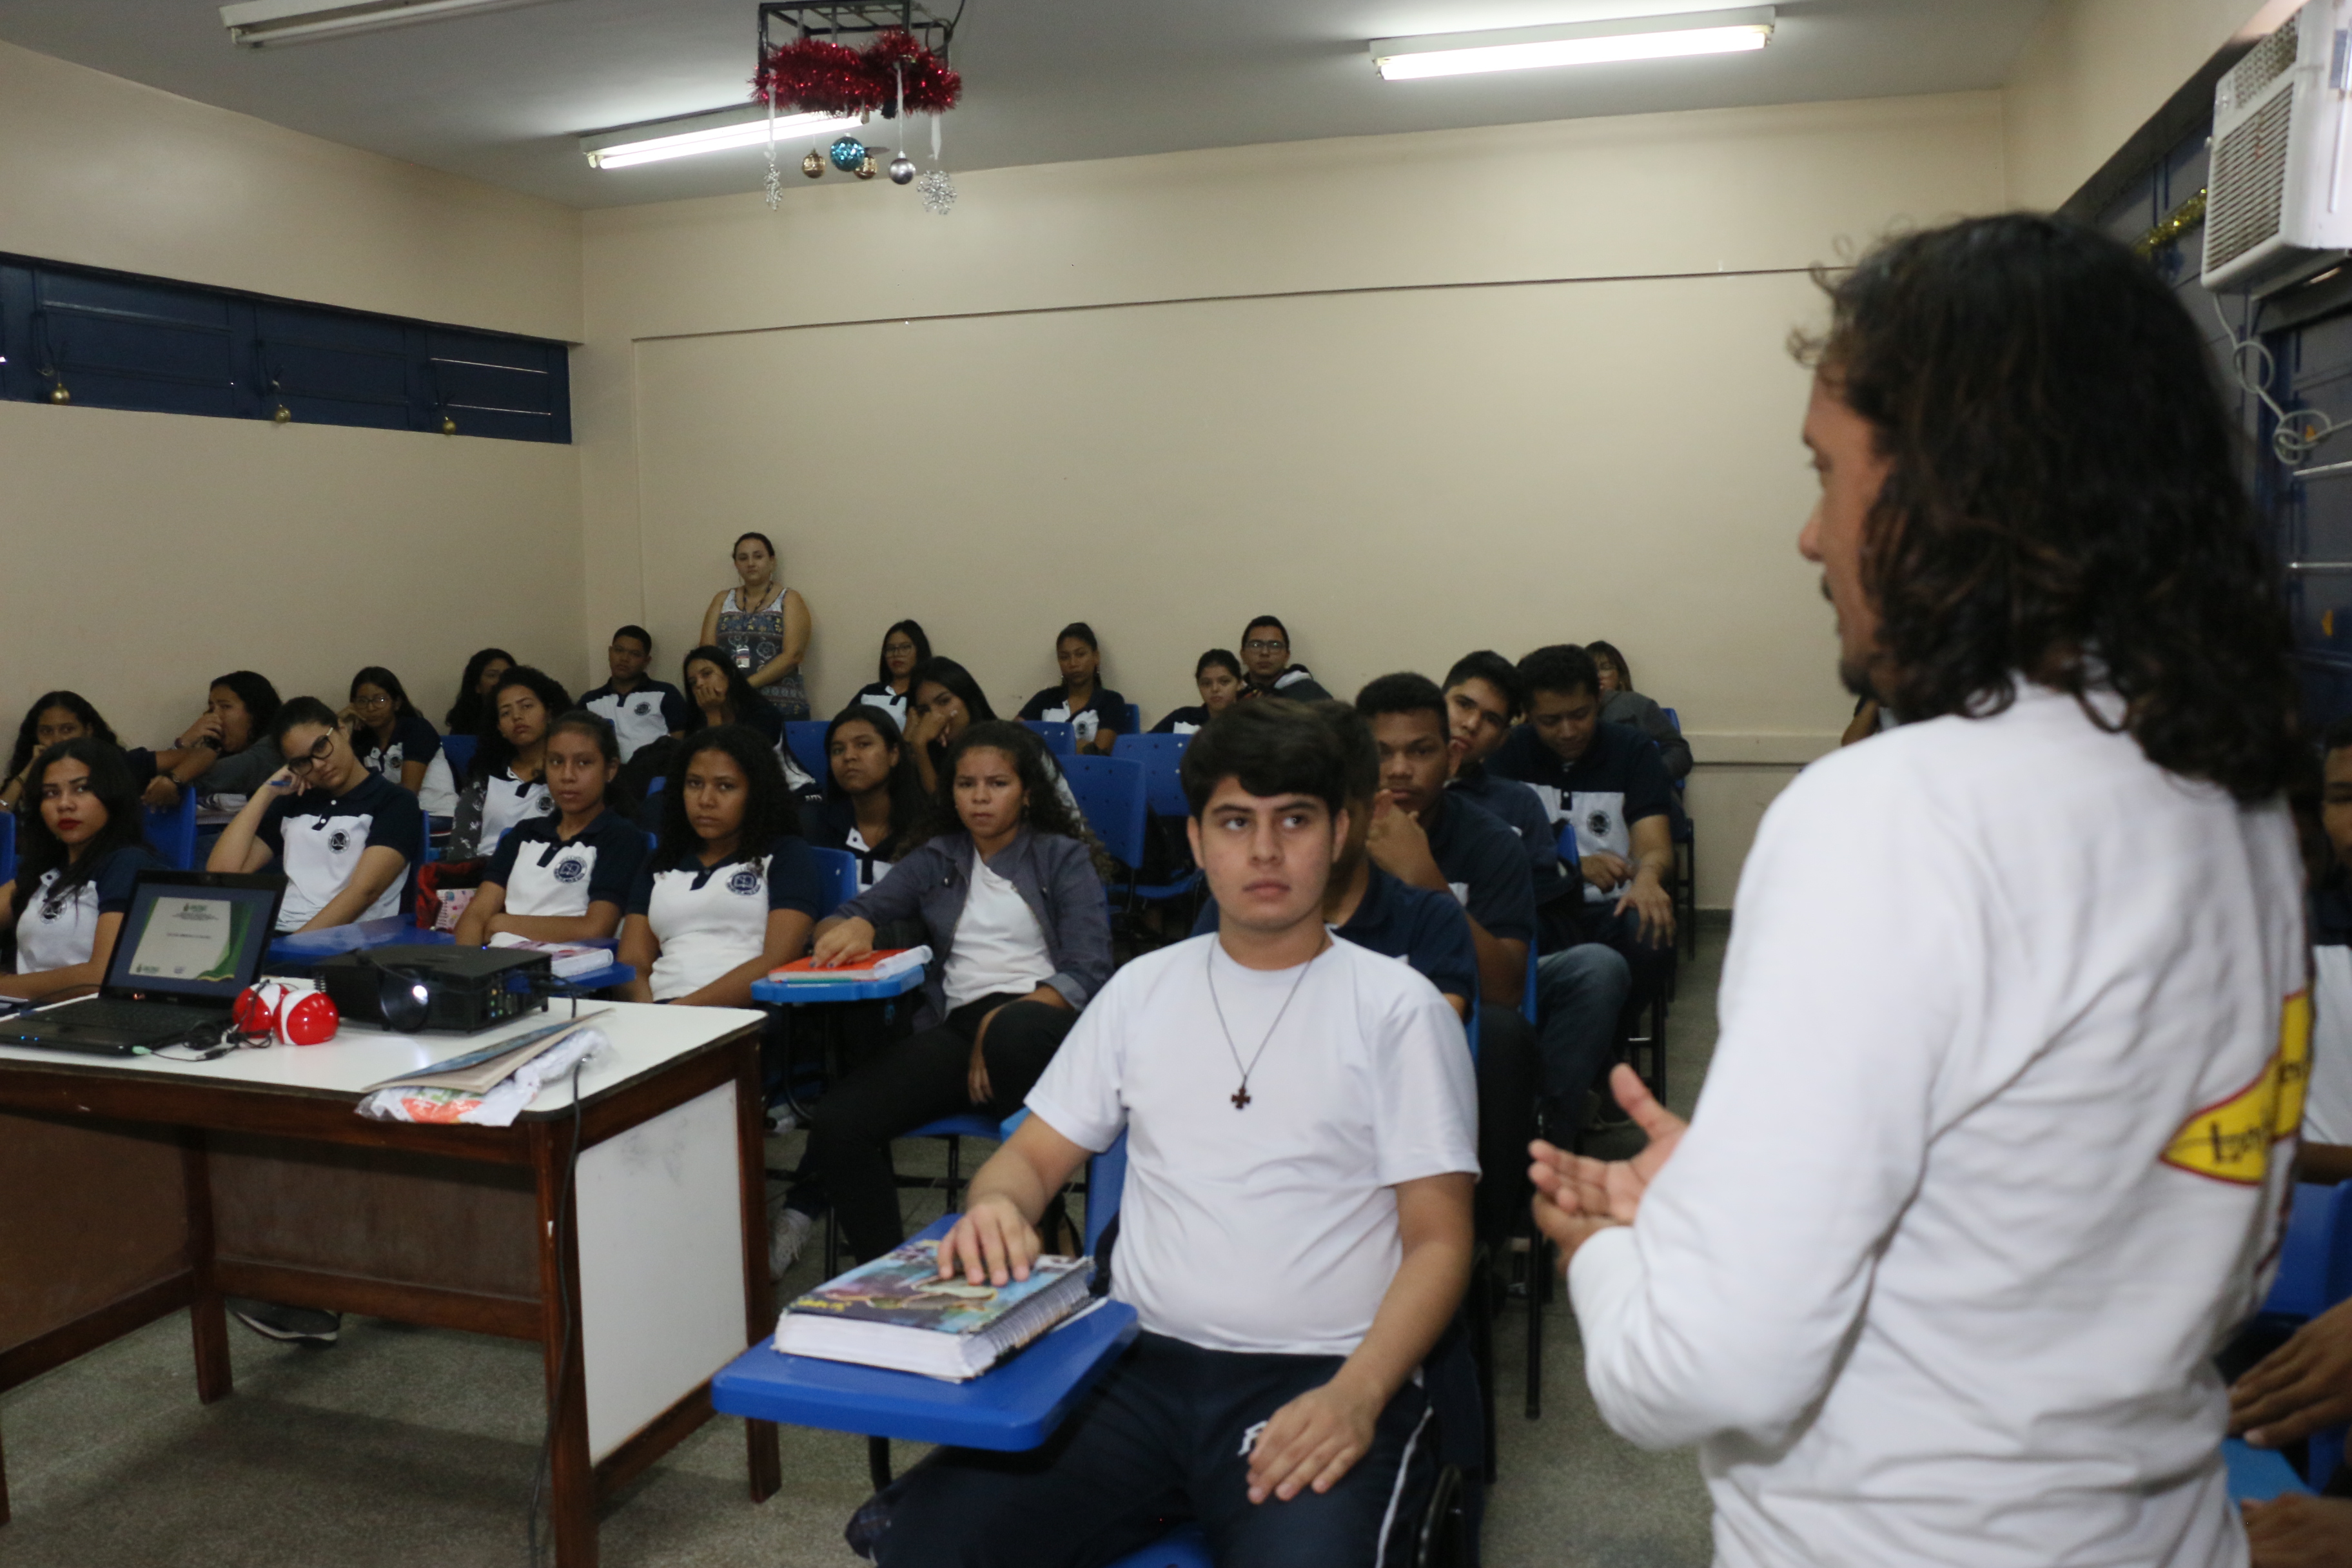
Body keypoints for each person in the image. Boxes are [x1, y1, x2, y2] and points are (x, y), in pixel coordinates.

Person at [1531, 215, 2309, 1565]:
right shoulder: (2230, 789)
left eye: (1830, 475)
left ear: (1956, 497)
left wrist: (1614, 1250)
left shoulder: (1894, 816)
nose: (1808, 535)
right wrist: (1740, 1199)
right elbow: (2089, 1211)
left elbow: (1701, 1369)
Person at [869, 700, 1477, 1567]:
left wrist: (1358, 1394)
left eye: (1294, 821)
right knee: (927, 1546)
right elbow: (1030, 1160)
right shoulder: (1143, 990)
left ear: (1341, 832)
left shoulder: (1398, 1008)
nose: (1264, 852)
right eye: (1236, 822)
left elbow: (1440, 1242)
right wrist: (1000, 1205)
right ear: (1196, 842)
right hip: (1134, 1368)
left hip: (1320, 1369)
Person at [785, 721, 1114, 1269]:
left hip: (1044, 1024)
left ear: (1027, 792)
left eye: (997, 783)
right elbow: (849, 915)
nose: (980, 797)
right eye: (966, 784)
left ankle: (1043, 1222)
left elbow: (1091, 970)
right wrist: (855, 926)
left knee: (1011, 1031)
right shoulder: (939, 857)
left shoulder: (1061, 857)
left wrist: (1005, 1016)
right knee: (841, 1122)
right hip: (960, 1031)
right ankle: (886, 1275)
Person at [1442, 652, 1629, 1141]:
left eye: (1490, 720)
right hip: (1405, 962)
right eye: (1462, 704)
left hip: (1500, 959)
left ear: (1505, 738)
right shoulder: (1384, 784)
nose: (1469, 724)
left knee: (1598, 967)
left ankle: (1548, 1128)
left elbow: (1547, 890)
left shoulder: (1512, 803)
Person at [1491, 644, 1676, 1003]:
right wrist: (1572, 867)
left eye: (1580, 714)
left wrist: (1649, 878)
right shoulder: (1507, 753)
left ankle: (1608, 1038)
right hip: (1537, 907)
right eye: (1550, 721)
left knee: (1652, 932)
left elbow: (1654, 844)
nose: (1568, 731)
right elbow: (1497, 854)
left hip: (1614, 907)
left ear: (1600, 699)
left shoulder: (1633, 751)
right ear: (1527, 714)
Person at [616, 725, 822, 1007]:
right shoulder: (661, 861)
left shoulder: (786, 854)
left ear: (755, 793)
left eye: (726, 786)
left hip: (744, 1015)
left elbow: (779, 959)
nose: (706, 800)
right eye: (694, 784)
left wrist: (683, 1012)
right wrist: (650, 1017)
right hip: (660, 1013)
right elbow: (633, 962)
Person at [208, 697, 424, 933]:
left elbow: (364, 892)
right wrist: (266, 792)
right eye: (302, 762)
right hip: (277, 929)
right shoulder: (294, 803)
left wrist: (294, 946)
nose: (319, 765)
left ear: (342, 731)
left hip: (344, 940)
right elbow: (223, 875)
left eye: (321, 747)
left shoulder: (394, 801)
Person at [454, 711, 645, 949]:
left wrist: (502, 923)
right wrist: (471, 974)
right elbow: (476, 916)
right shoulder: (523, 834)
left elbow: (596, 929)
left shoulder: (619, 836)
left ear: (610, 769)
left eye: (583, 763)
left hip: (576, 973)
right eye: (556, 762)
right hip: (498, 968)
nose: (567, 776)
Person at [0, 738, 166, 999]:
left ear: (113, 796)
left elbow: (101, 977)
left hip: (91, 1022)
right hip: (22, 1015)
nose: (64, 804)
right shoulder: (44, 870)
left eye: (81, 789)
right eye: (51, 793)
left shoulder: (127, 862)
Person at [442, 666, 569, 861]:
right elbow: (461, 848)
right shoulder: (485, 778)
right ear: (500, 728)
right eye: (506, 713)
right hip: (484, 877)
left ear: (549, 713)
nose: (517, 717)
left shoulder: (569, 774)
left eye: (526, 706)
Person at [800, 704, 925, 894]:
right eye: (838, 750)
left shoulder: (925, 829)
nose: (849, 756)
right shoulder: (812, 825)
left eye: (863, 745)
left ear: (894, 754)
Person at [700, 531, 812, 721]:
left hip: (781, 710)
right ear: (736, 564)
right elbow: (707, 653)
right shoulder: (721, 600)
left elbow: (793, 656)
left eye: (758, 556)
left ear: (772, 561)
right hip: (730, 708)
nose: (751, 563)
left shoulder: (790, 599)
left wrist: (742, 687)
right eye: (743, 558)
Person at [137, 672, 284, 810]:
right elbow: (157, 789)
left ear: (255, 712)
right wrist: (184, 742)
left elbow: (188, 783)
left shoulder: (272, 747)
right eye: (212, 708)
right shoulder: (222, 754)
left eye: (225, 707)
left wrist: (171, 781)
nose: (214, 716)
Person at [418, 647, 515, 816]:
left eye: (507, 675)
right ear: (477, 686)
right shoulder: (463, 727)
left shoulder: (526, 725)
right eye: (492, 675)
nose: (501, 681)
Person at [1585, 640, 1693, 782]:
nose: (1598, 675)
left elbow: (1680, 752)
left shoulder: (1638, 704)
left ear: (1621, 677)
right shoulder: (1571, 709)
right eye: (1591, 669)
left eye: (1606, 668)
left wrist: (1649, 774)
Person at [1017, 622, 1132, 756]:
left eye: (1080, 655)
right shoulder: (1044, 699)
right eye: (1064, 657)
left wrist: (1043, 741)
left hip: (1089, 775)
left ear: (1096, 657)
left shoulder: (1111, 701)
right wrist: (1077, 745)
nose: (1073, 663)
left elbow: (1098, 752)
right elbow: (1012, 739)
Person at [580, 625, 689, 763]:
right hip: (607, 779)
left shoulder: (665, 694)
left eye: (635, 654)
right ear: (610, 652)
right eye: (619, 650)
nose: (625, 658)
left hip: (655, 777)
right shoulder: (590, 702)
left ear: (646, 661)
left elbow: (678, 746)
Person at [0, 692, 115, 811]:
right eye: (46, 731)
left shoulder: (112, 771)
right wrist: (27, 773)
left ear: (88, 731)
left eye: (67, 729)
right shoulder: (32, 776)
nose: (57, 740)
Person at [343, 667, 439, 794]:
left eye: (380, 700)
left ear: (397, 703)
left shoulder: (418, 729)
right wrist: (338, 722)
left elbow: (409, 791)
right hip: (389, 812)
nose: (371, 708)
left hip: (435, 811)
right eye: (362, 701)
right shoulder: (362, 741)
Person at [682, 643, 785, 747]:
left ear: (730, 674)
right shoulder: (696, 718)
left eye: (707, 674)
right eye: (693, 682)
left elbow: (733, 760)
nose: (699, 684)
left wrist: (713, 714)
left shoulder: (762, 714)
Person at [1235, 615, 1331, 702]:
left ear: (1287, 655)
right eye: (1256, 645)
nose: (1265, 653)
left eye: (1275, 645)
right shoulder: (1233, 694)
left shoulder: (1311, 694)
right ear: (1243, 655)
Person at [855, 620, 930, 730]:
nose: (897, 654)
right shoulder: (869, 692)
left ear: (919, 650)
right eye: (890, 649)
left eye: (905, 647)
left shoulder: (925, 695)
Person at [1150, 649, 1246, 736]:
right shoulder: (1183, 719)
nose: (1215, 689)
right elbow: (1143, 748)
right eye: (1206, 683)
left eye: (1224, 682)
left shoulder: (1251, 723)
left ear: (1239, 684)